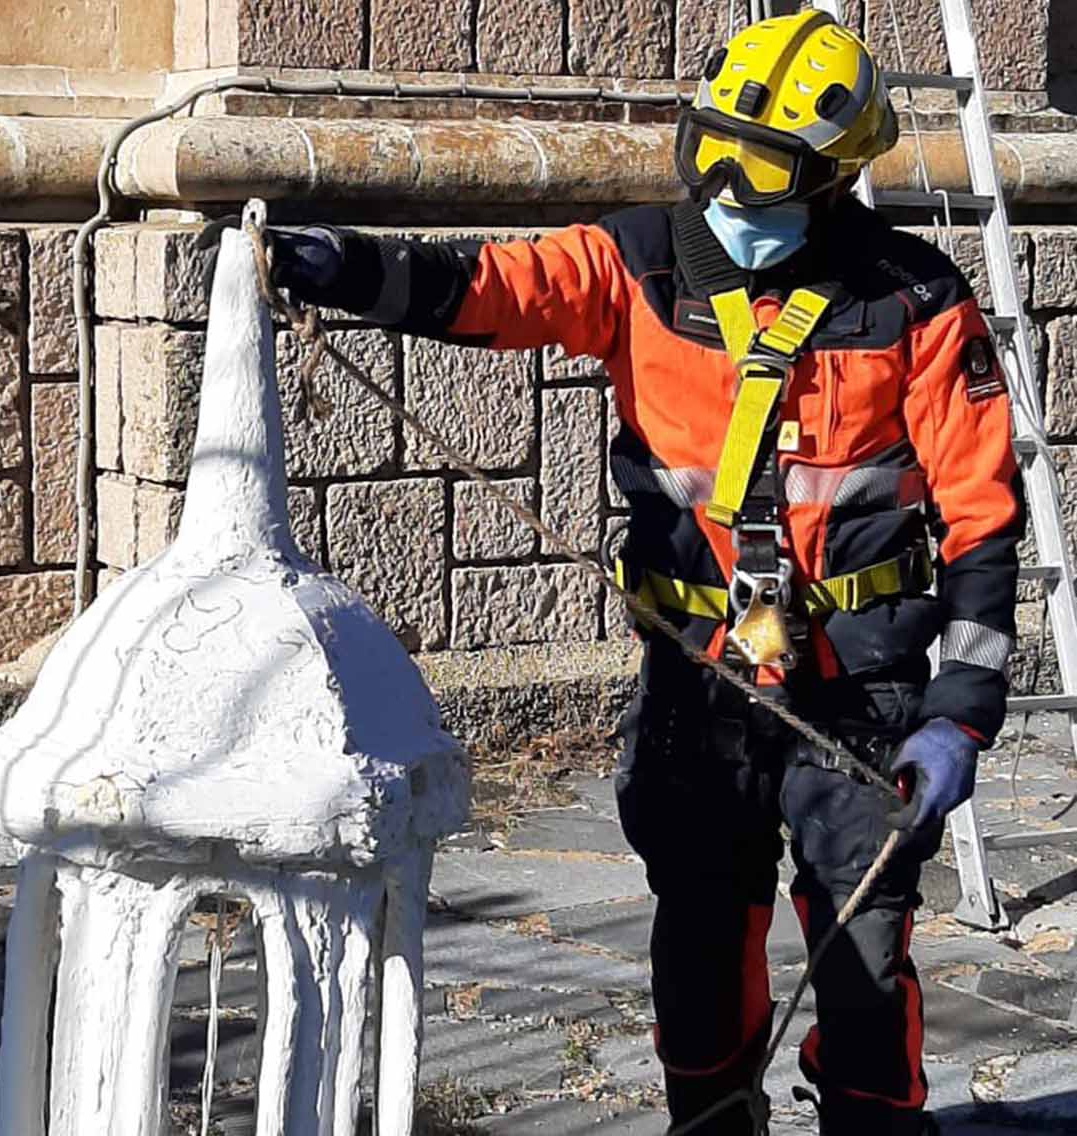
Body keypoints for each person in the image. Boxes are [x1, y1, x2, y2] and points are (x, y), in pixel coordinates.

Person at [202, 10, 1022, 1133]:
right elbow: (483, 285)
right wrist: (335, 264)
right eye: (711, 147)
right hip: (700, 678)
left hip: (859, 689)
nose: (728, 187)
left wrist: (959, 715)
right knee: (697, 936)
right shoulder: (632, 265)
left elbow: (981, 521)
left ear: (832, 179)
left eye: (766, 164)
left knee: (863, 950)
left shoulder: (916, 303)